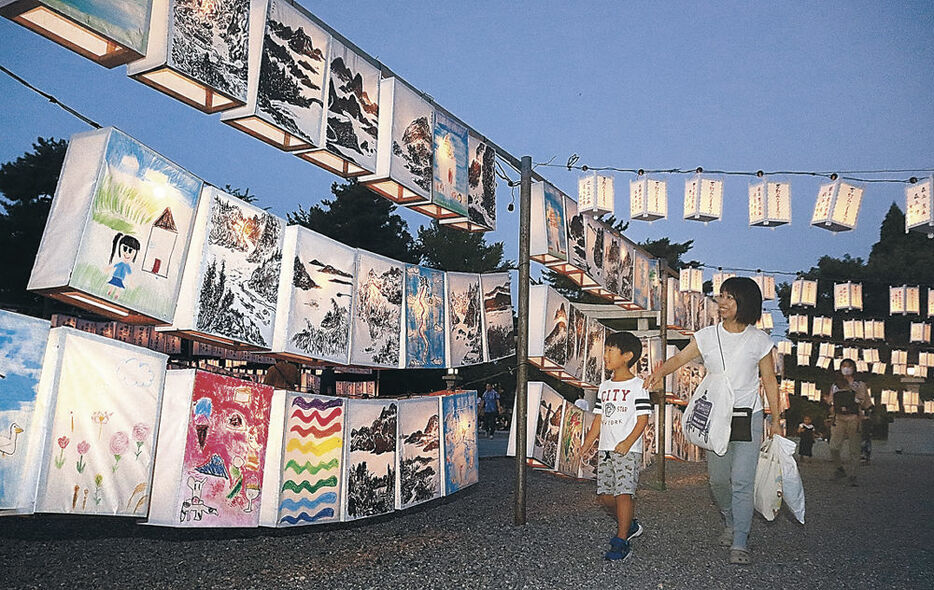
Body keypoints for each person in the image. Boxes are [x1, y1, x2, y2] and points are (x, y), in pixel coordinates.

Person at [645, 277, 781, 566]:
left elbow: (769, 379)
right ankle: (730, 520)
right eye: (721, 296)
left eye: (730, 298)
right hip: (715, 417)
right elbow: (680, 358)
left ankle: (740, 541)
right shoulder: (707, 335)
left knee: (743, 481)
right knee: (719, 480)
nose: (722, 303)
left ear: (746, 302)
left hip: (749, 416)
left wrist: (777, 419)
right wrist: (659, 374)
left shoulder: (760, 340)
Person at [581, 332, 651, 562]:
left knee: (623, 493)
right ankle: (629, 524)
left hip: (628, 450)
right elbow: (599, 418)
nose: (605, 355)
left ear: (627, 356)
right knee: (604, 496)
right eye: (606, 349)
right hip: (606, 449)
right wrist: (588, 442)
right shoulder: (604, 387)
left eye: (611, 350)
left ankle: (621, 541)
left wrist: (628, 442)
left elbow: (642, 419)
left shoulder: (639, 386)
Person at [829, 359, 873, 485]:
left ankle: (853, 474)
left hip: (854, 417)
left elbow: (865, 402)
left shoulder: (859, 385)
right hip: (838, 418)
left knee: (854, 448)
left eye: (849, 366)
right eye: (844, 366)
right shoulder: (836, 385)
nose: (846, 369)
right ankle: (839, 468)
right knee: (833, 446)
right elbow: (831, 401)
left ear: (853, 369)